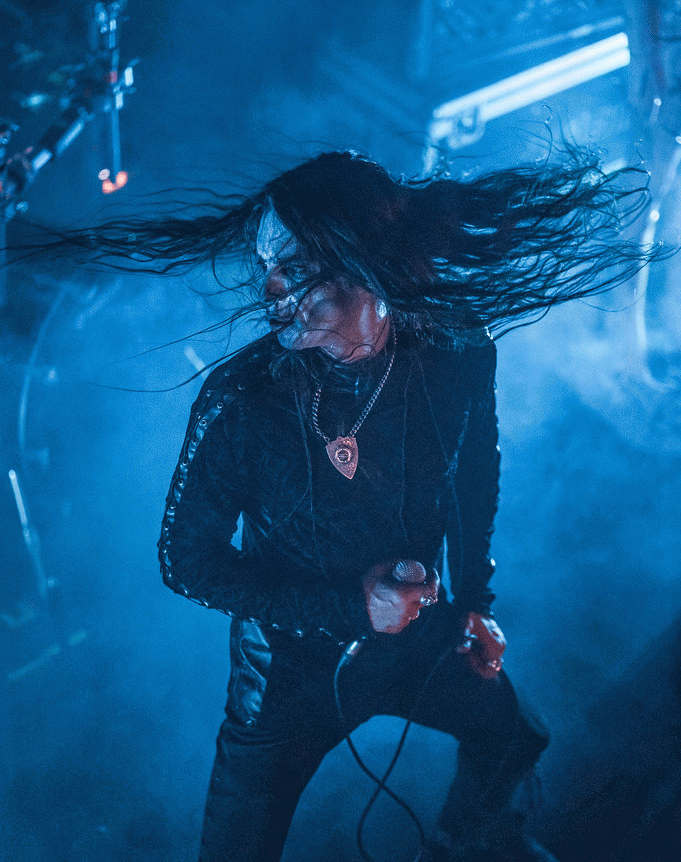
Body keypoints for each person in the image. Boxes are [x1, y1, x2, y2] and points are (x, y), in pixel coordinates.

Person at [30, 148, 654, 861]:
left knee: (517, 737)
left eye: (293, 267)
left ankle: (465, 846)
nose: (269, 288)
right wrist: (349, 607)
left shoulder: (456, 348)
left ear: (366, 262)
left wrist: (473, 602)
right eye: (264, 265)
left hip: (421, 637)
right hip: (287, 676)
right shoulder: (242, 402)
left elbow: (474, 472)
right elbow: (185, 561)